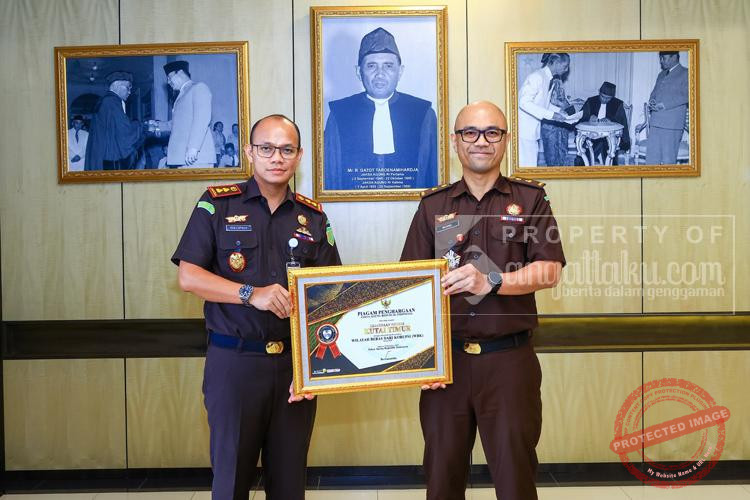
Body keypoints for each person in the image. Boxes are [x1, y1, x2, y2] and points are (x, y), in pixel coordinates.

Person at [400, 101, 565, 500]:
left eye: (492, 132)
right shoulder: (433, 206)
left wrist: (490, 280)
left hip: (509, 362)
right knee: (441, 477)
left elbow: (549, 270)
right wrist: (420, 359)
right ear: (455, 141)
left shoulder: (530, 200)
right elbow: (410, 286)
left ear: (505, 140)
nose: (481, 141)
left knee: (515, 479)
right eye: (470, 133)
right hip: (447, 366)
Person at [172, 114, 341, 500]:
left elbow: (329, 297)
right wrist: (252, 293)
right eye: (266, 148)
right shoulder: (217, 204)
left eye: (286, 149)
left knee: (289, 485)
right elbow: (189, 277)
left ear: (299, 156)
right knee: (231, 482)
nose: (276, 157)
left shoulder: (313, 217)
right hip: (235, 364)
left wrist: (313, 370)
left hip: (294, 370)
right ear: (249, 152)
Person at [324, 27, 437, 190]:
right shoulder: (339, 114)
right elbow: (330, 179)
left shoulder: (423, 114)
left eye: (388, 66)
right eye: (371, 66)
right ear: (359, 72)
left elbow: (433, 177)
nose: (380, 74)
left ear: (400, 71)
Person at [150, 61, 215, 168]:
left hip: (196, 157)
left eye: (169, 77)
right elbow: (177, 124)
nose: (168, 82)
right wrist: (157, 125)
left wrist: (193, 148)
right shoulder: (182, 94)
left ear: (179, 72)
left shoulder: (198, 87)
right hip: (182, 157)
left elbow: (202, 119)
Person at [518, 53, 570, 166]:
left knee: (531, 164)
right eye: (565, 66)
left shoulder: (548, 78)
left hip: (533, 130)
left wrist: (558, 111)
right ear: (556, 63)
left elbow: (541, 103)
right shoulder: (537, 77)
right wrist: (552, 115)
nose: (566, 70)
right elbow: (524, 102)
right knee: (527, 165)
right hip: (524, 130)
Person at [84, 71, 144, 170]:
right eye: (128, 88)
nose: (129, 92)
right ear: (117, 86)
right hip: (108, 158)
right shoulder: (112, 101)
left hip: (100, 153)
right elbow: (124, 129)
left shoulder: (106, 100)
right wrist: (142, 125)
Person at [645, 51, 689, 164]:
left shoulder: (687, 73)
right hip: (655, 123)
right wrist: (652, 101)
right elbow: (654, 93)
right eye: (660, 58)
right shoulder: (661, 74)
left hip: (671, 125)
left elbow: (689, 95)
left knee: (668, 161)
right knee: (651, 161)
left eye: (664, 58)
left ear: (674, 57)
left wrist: (665, 104)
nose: (661, 61)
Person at [575, 81, 631, 165]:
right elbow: (580, 117)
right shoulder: (591, 101)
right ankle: (586, 164)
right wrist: (589, 117)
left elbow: (622, 122)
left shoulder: (617, 104)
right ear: (599, 92)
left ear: (612, 97)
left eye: (608, 98)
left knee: (606, 144)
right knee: (590, 148)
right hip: (591, 136)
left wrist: (611, 120)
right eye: (602, 96)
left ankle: (607, 166)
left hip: (610, 136)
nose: (604, 100)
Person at [539, 75, 575, 166]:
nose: (557, 86)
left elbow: (568, 107)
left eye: (559, 82)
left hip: (562, 126)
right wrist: (559, 106)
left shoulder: (561, 92)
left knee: (562, 152)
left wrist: (565, 106)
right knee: (551, 154)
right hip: (550, 126)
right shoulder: (544, 91)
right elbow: (544, 107)